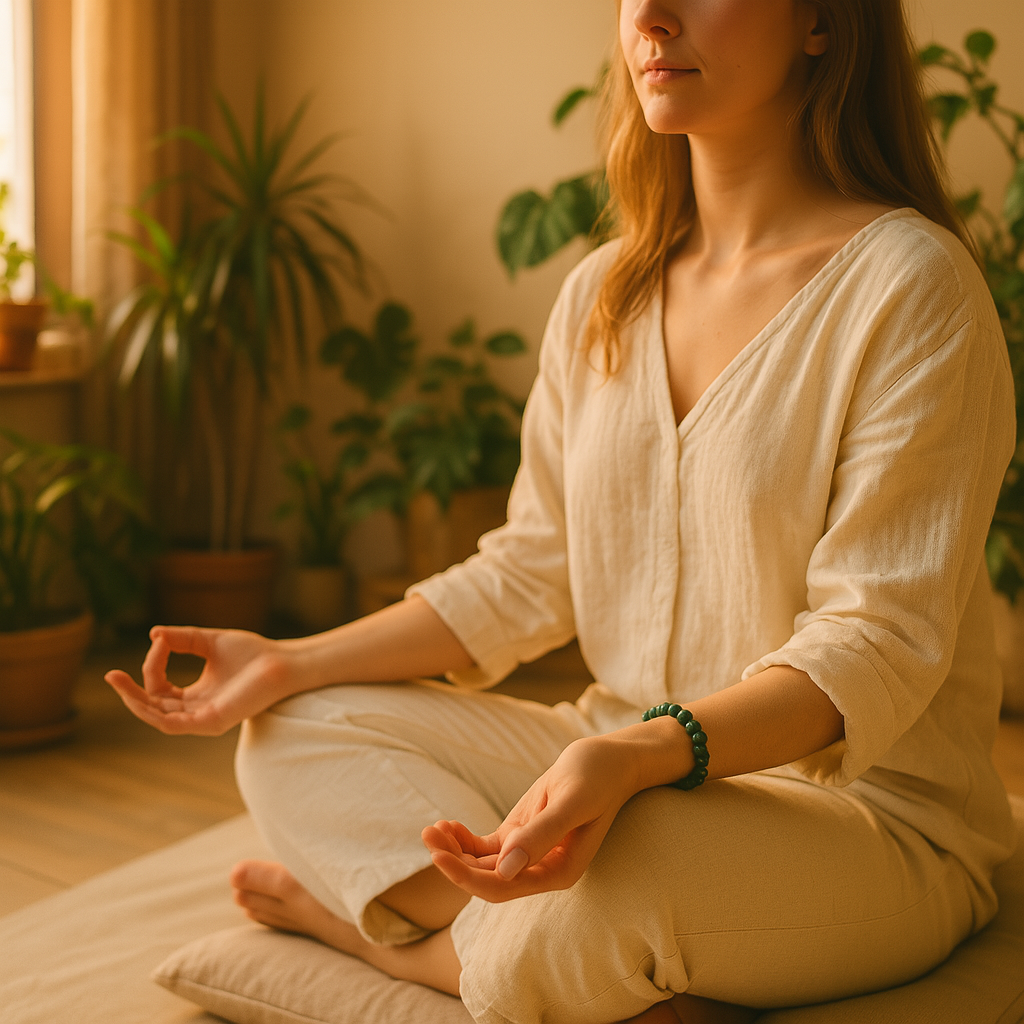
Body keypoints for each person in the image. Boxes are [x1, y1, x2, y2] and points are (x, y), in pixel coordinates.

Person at [106, 1, 1018, 1022]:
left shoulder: (910, 286)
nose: (651, 16)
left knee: (628, 855)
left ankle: (413, 947)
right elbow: (528, 571)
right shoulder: (603, 294)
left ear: (819, 23)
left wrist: (639, 755)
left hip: (859, 814)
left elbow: (873, 642)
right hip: (607, 752)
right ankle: (543, 957)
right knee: (288, 731)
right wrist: (293, 658)